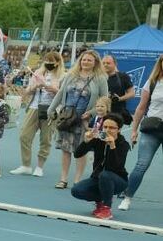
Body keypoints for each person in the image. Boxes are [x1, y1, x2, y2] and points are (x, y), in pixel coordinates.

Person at [48, 49, 108, 189]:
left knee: (80, 149)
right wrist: (52, 109)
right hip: (67, 117)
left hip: (84, 118)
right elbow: (61, 93)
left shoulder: (100, 78)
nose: (86, 62)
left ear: (95, 63)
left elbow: (105, 99)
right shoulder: (71, 75)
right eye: (84, 59)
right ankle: (63, 179)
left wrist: (92, 112)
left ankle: (77, 180)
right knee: (65, 148)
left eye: (89, 60)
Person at [121, 54, 163, 212]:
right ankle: (127, 197)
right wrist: (134, 130)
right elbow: (140, 107)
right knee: (141, 165)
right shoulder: (152, 83)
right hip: (152, 128)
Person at [11, 51, 63, 177]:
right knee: (24, 135)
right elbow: (27, 91)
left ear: (57, 63)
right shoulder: (38, 73)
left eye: (52, 62)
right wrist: (35, 87)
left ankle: (40, 167)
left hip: (51, 109)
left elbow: (64, 95)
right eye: (47, 61)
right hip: (34, 107)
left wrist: (52, 88)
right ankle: (26, 165)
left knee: (46, 139)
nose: (49, 64)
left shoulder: (63, 76)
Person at [71, 115, 130, 219]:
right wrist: (86, 141)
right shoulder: (98, 140)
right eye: (105, 127)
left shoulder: (123, 144)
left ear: (119, 130)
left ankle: (107, 208)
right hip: (98, 178)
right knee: (76, 190)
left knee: (105, 175)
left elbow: (116, 166)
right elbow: (77, 154)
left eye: (112, 128)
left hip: (118, 181)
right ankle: (100, 202)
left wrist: (112, 146)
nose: (107, 130)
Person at [103, 54, 136, 123]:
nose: (105, 65)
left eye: (108, 63)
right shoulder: (98, 77)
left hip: (117, 112)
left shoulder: (123, 77)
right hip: (100, 111)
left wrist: (119, 98)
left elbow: (132, 93)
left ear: (115, 64)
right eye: (103, 63)